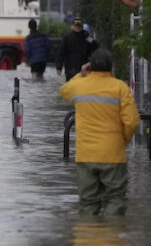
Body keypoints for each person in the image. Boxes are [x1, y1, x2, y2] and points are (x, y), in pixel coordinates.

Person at [59, 48, 140, 215]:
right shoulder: (120, 88)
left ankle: (89, 237)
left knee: (87, 203)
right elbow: (131, 121)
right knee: (115, 200)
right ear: (111, 66)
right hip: (113, 154)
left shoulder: (80, 86)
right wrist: (122, 141)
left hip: (86, 154)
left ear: (90, 66)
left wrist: (81, 75)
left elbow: (64, 90)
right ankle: (111, 237)